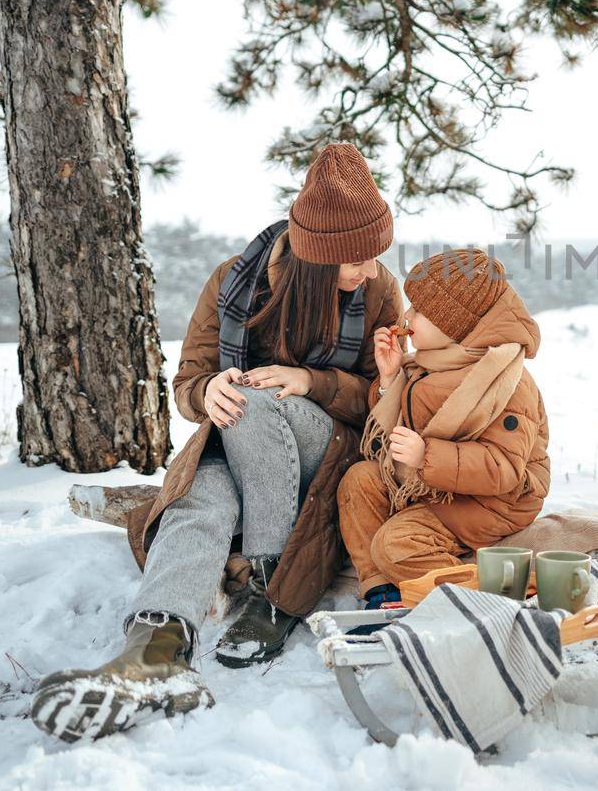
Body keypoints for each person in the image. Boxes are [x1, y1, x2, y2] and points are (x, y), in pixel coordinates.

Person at [30, 143, 401, 742]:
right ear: (316, 259)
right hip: (235, 445)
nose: (373, 269)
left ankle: (269, 582)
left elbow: (388, 398)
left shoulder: (379, 295)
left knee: (257, 404)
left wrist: (313, 381)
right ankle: (154, 654)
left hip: (327, 451)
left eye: (376, 253)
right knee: (201, 499)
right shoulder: (234, 282)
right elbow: (187, 382)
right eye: (356, 259)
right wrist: (209, 394)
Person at [336, 248, 549, 608]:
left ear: (454, 323)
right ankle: (383, 591)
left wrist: (426, 455)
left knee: (396, 544)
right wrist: (389, 379)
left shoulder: (503, 379)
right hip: (436, 486)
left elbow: (504, 469)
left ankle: (489, 597)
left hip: (491, 502)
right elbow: (404, 420)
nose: (407, 316)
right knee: (360, 481)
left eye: (419, 310)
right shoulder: (429, 362)